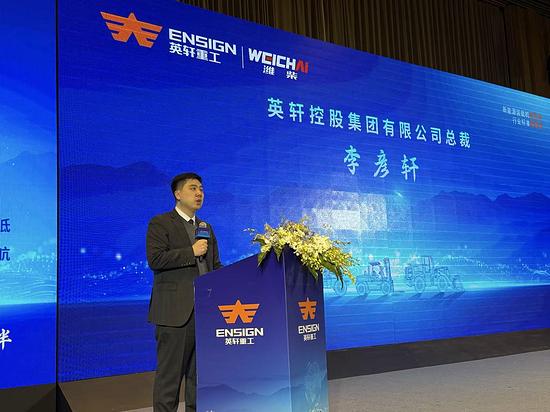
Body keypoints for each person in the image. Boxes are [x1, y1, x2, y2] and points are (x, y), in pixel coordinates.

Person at [146, 172, 222, 412]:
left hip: (204, 313)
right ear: (178, 194)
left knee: (199, 380)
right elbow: (155, 259)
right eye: (193, 188)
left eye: (201, 188)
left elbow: (215, 266)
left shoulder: (205, 227)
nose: (199, 193)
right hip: (174, 314)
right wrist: (191, 251)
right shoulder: (160, 223)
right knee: (169, 379)